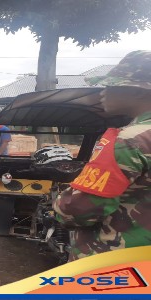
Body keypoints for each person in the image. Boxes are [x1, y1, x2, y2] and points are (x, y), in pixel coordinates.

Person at [53, 50, 151, 261]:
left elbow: (77, 209)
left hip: (114, 263)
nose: (102, 92)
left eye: (113, 85)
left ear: (139, 91)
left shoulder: (130, 139)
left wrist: (58, 205)